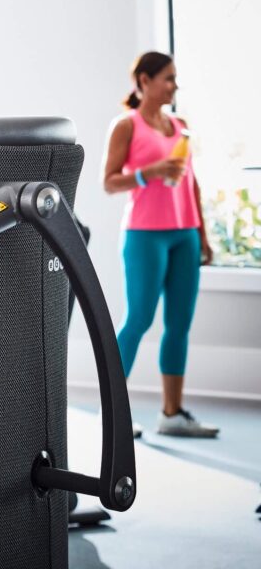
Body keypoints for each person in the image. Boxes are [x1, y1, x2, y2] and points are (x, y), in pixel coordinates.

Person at [103, 50, 218, 438]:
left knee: (179, 324)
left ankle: (172, 413)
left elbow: (191, 182)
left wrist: (201, 233)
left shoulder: (179, 126)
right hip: (144, 235)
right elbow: (109, 182)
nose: (174, 85)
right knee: (138, 320)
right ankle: (113, 415)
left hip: (184, 233)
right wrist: (148, 172)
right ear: (145, 81)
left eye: (175, 78)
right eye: (167, 77)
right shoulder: (126, 126)